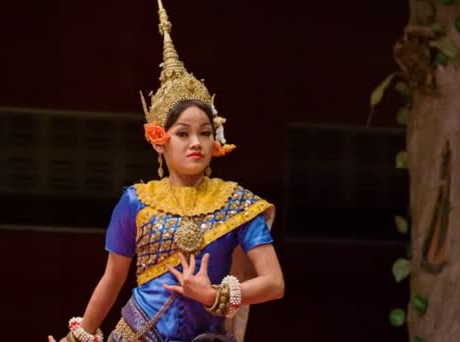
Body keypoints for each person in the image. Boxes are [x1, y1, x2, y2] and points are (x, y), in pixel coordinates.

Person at [48, 1, 284, 341]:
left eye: (205, 132)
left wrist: (213, 295)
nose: (196, 143)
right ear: (159, 141)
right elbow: (113, 278)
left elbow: (274, 283)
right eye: (183, 133)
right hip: (138, 334)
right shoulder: (136, 201)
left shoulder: (236, 204)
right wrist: (79, 335)